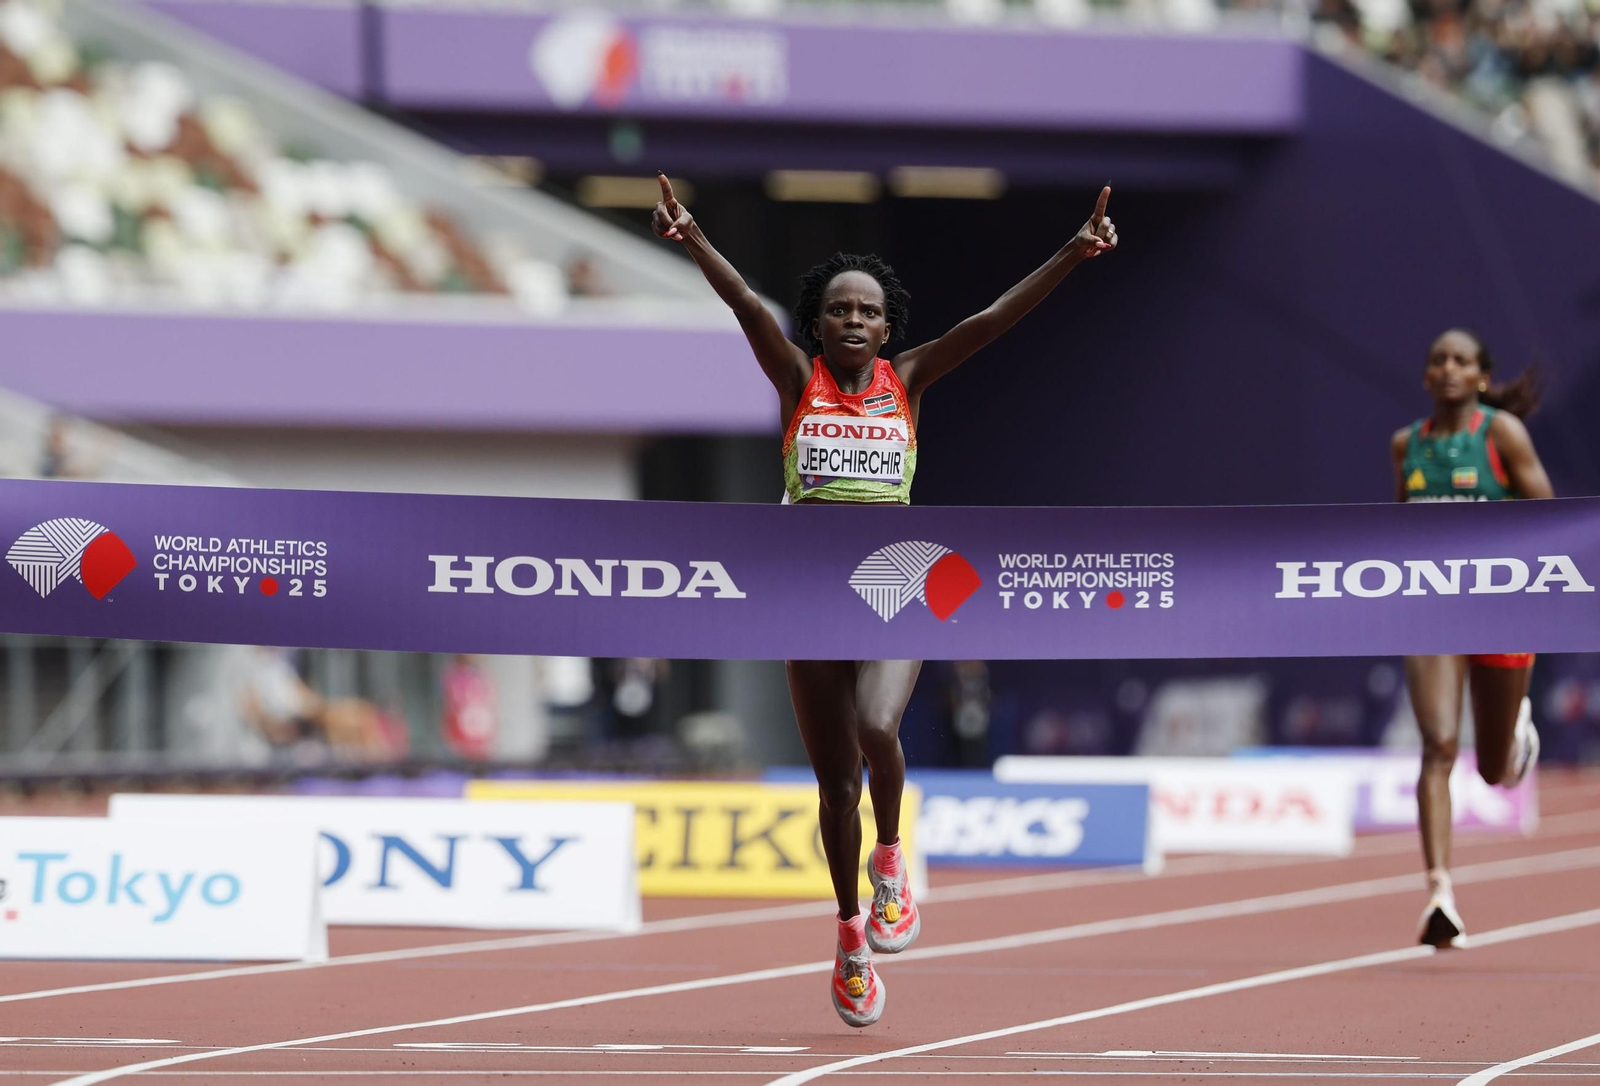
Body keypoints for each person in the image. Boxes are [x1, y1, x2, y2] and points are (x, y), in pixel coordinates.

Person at [653, 173, 1118, 1025]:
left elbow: (993, 321)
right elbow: (748, 307)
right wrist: (691, 237)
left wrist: (1072, 253)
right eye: (839, 310)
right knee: (834, 789)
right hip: (805, 594)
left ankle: (893, 859)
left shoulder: (909, 378)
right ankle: (848, 938)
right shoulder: (797, 379)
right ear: (819, 323)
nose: (855, 321)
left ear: (888, 326)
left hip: (892, 583)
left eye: (868, 311)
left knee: (877, 729)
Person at [1390, 328, 1552, 949]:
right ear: (1427, 375)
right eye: (1438, 360)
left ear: (1482, 376)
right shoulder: (1407, 444)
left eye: (1461, 360)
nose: (1448, 368)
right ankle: (1440, 893)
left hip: (1500, 611)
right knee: (1437, 744)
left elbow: (1551, 520)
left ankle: (1515, 737)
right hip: (1430, 612)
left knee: (1490, 772)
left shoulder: (1502, 435)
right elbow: (1397, 531)